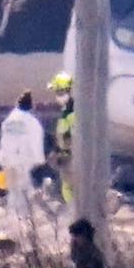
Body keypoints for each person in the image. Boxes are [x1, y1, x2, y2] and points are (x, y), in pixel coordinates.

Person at [0, 92, 46, 219]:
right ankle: (24, 220)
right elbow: (36, 144)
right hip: (24, 163)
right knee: (24, 193)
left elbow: (4, 142)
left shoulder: (8, 121)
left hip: (8, 162)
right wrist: (39, 161)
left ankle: (14, 218)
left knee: (14, 192)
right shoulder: (32, 122)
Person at [48, 72, 76, 203]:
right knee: (67, 185)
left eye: (58, 92)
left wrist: (61, 152)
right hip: (68, 156)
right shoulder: (66, 112)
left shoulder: (72, 113)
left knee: (70, 186)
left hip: (72, 157)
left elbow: (69, 137)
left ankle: (75, 211)